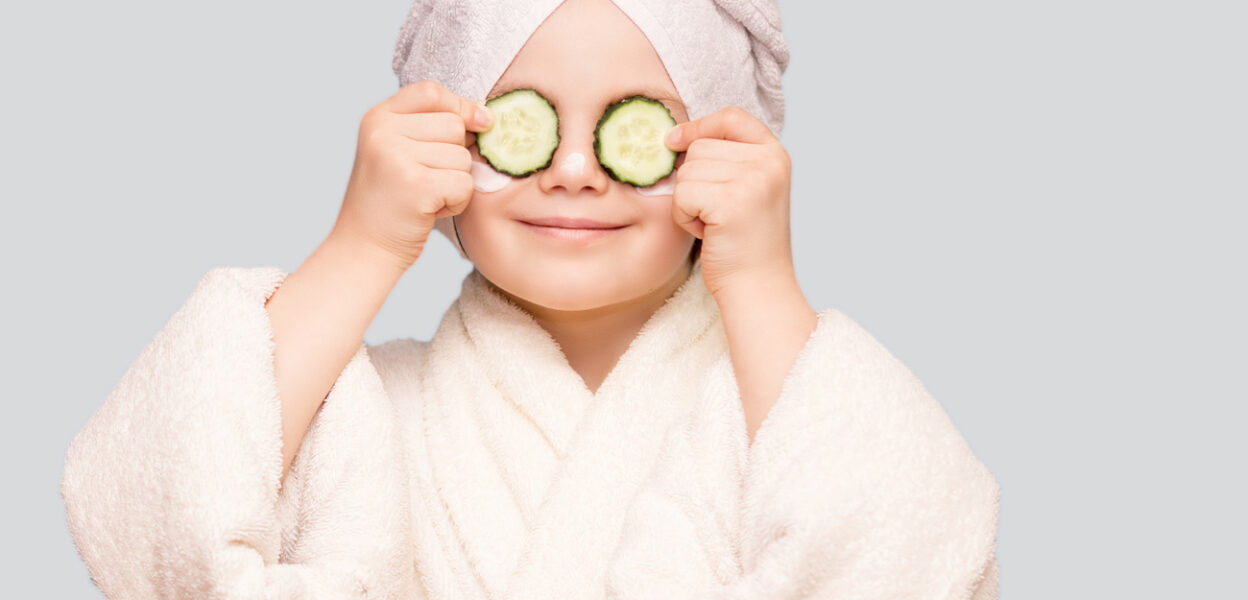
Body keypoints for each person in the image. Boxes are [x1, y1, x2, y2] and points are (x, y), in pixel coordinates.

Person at [62, 0, 1000, 597]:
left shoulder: (784, 410)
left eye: (637, 128)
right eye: (523, 123)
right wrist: (362, 246)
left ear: (720, 149)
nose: (579, 170)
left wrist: (759, 280)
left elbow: (907, 554)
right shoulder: (364, 411)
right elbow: (156, 533)